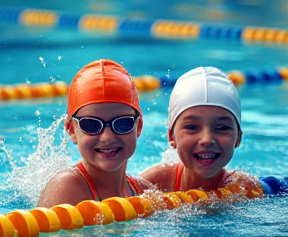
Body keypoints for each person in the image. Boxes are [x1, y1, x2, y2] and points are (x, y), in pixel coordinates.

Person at [38, 59, 151, 207]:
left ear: (139, 126)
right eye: (91, 125)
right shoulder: (67, 188)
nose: (107, 137)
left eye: (123, 123)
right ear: (72, 130)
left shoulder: (143, 190)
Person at [139, 66, 264, 199]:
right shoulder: (153, 183)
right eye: (192, 127)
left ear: (238, 137)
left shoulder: (243, 188)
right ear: (172, 137)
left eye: (222, 128)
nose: (207, 139)